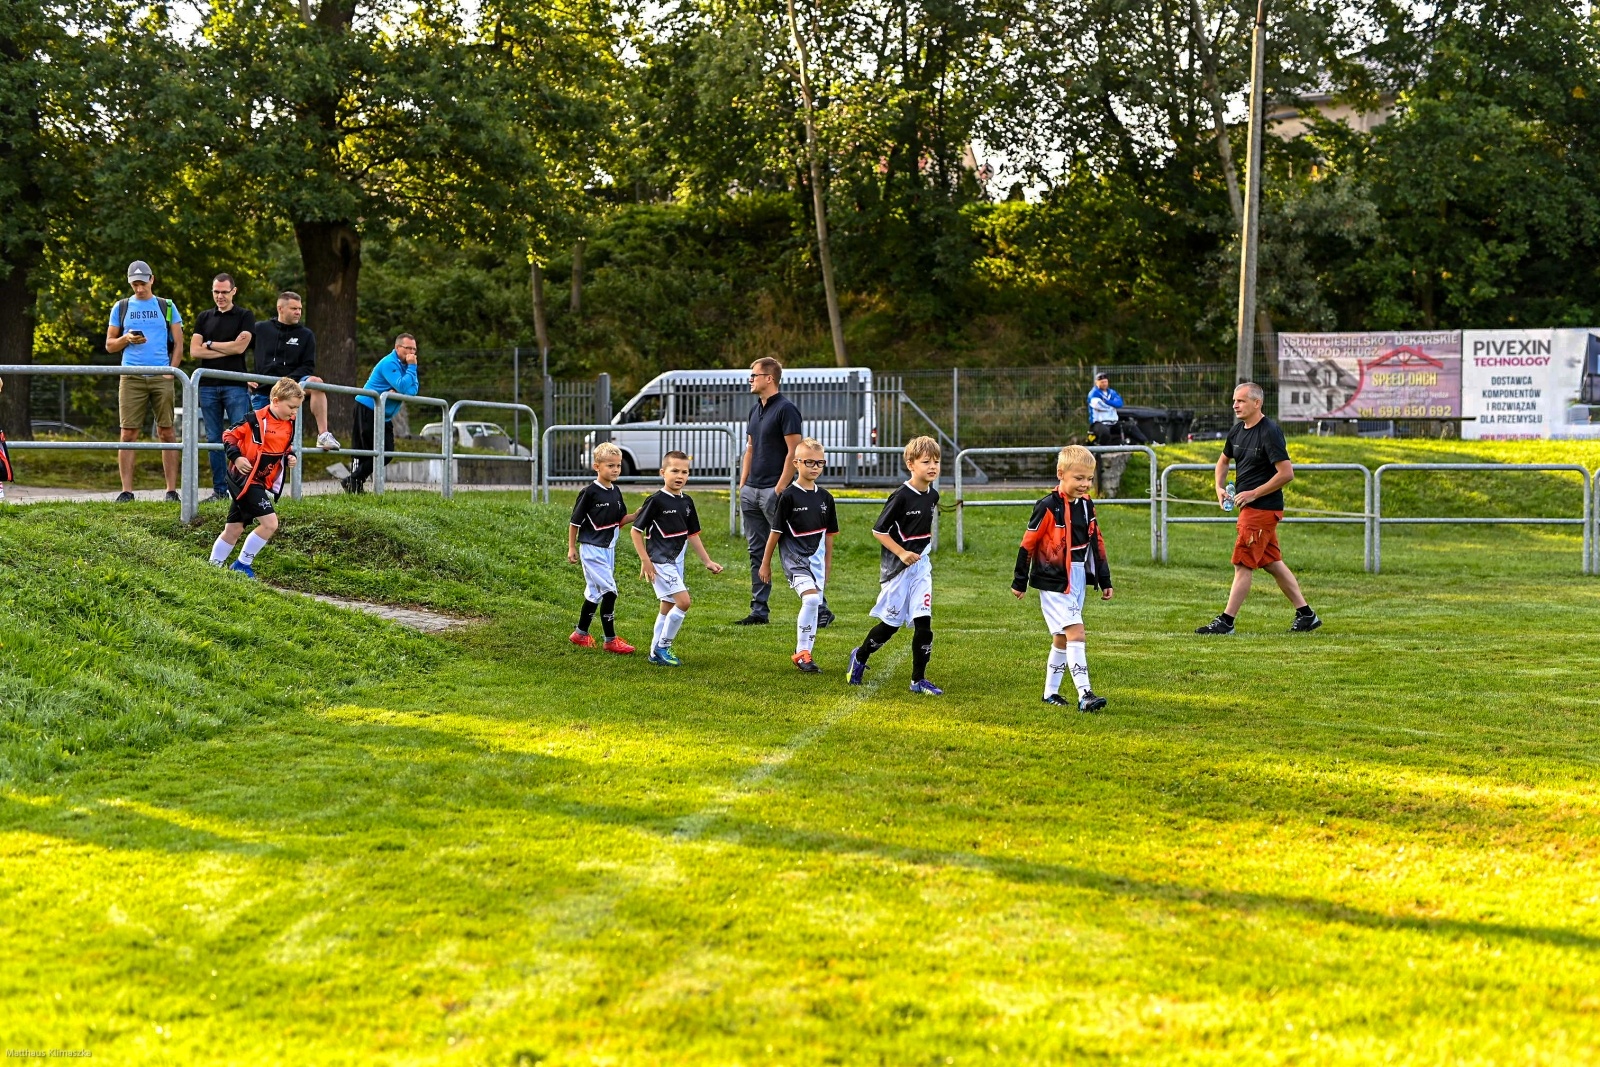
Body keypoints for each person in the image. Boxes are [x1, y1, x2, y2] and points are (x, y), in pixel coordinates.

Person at [1196, 382, 1322, 635]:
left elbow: (1286, 473)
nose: (1235, 405)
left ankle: (1226, 622)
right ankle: (1306, 615)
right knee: (1272, 563)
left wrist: (1254, 492)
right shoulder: (1237, 431)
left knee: (1242, 564)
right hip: (1250, 510)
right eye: (1234, 401)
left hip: (1262, 509)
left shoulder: (1270, 432)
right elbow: (1222, 462)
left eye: (1241, 401)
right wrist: (1219, 488)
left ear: (1257, 403)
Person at [1011, 445, 1112, 712]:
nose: (1085, 484)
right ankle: (1085, 693)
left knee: (1062, 637)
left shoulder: (1088, 505)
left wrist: (1104, 578)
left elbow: (1096, 541)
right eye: (1079, 478)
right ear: (1061, 474)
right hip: (1055, 579)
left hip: (1078, 576)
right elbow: (1027, 544)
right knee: (1077, 632)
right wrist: (1019, 580)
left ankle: (1050, 693)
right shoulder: (1047, 506)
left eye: (1089, 479)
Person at [847, 436, 944, 695]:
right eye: (926, 462)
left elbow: (923, 526)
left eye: (936, 461)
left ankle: (918, 680)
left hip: (921, 567)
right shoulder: (900, 496)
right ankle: (860, 656)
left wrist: (923, 545)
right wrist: (902, 553)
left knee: (924, 624)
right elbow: (879, 531)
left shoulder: (932, 495)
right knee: (889, 627)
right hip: (897, 571)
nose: (932, 466)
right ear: (911, 464)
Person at [734, 357, 809, 627]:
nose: (751, 380)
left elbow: (795, 452)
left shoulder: (786, 409)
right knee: (756, 551)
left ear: (770, 378)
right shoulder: (755, 410)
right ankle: (758, 611)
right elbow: (750, 448)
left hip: (773, 492)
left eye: (754, 375)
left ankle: (818, 606)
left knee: (790, 548)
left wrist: (780, 487)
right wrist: (743, 483)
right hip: (751, 491)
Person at [631, 451, 724, 667]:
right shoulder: (655, 501)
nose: (679, 476)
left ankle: (654, 653)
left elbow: (693, 535)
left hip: (676, 561)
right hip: (660, 562)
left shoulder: (687, 502)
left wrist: (707, 561)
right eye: (674, 471)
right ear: (663, 473)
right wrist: (645, 561)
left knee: (667, 605)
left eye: (684, 472)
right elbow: (636, 532)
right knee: (684, 602)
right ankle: (664, 646)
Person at [105, 260, 184, 503]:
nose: (139, 288)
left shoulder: (166, 306)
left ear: (152, 280)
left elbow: (179, 343)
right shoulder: (121, 307)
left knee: (167, 432)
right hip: (131, 376)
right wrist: (126, 338)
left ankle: (171, 490)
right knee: (128, 433)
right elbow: (109, 345)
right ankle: (127, 491)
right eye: (134, 284)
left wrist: (172, 370)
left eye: (143, 283)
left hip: (161, 374)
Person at [208, 377, 304, 578]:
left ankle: (211, 569)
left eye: (297, 408)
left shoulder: (290, 422)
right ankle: (242, 565)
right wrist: (237, 457)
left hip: (260, 480)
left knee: (234, 528)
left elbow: (285, 446)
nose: (294, 412)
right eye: (291, 407)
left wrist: (289, 456)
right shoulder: (254, 419)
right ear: (276, 401)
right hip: (244, 480)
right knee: (270, 523)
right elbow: (229, 435)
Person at [757, 438, 838, 673]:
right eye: (809, 462)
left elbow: (829, 535)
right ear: (796, 463)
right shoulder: (789, 496)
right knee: (811, 600)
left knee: (814, 605)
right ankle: (801, 652)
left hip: (817, 562)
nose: (814, 467)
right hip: (795, 560)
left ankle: (806, 655)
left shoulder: (826, 498)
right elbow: (775, 532)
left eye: (820, 463)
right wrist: (765, 564)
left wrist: (827, 565)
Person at [190, 273, 255, 503]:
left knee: (240, 437)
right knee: (214, 439)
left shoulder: (245, 316)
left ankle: (242, 488)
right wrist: (223, 347)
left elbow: (240, 348)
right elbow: (194, 351)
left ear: (233, 291)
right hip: (207, 386)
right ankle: (219, 490)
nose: (220, 296)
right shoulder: (204, 317)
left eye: (224, 292)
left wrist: (210, 344)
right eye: (216, 292)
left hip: (235, 386)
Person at [567, 442, 638, 654]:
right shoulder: (589, 492)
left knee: (594, 593)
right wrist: (572, 548)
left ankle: (580, 634)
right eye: (610, 465)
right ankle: (610, 640)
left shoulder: (616, 491)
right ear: (597, 466)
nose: (615, 469)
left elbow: (620, 520)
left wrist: (636, 515)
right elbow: (574, 523)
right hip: (592, 549)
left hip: (609, 548)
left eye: (618, 465)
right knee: (610, 591)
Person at [251, 292, 340, 451]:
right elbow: (238, 350)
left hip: (293, 387)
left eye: (300, 309)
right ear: (280, 308)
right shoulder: (260, 329)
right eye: (293, 308)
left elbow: (308, 366)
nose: (298, 312)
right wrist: (245, 376)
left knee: (317, 383)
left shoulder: (306, 335)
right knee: (263, 446)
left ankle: (323, 435)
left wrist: (285, 383)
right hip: (264, 392)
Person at [344, 333, 420, 493]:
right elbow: (404, 387)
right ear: (397, 348)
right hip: (368, 407)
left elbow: (413, 390)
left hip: (383, 414)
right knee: (365, 450)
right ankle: (355, 484)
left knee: (386, 452)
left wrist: (403, 385)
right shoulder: (389, 363)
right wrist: (410, 371)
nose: (412, 353)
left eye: (414, 349)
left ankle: (352, 481)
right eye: (408, 348)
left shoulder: (408, 365)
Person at [1086, 372, 1150, 445]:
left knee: (1130, 427)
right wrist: (1112, 405)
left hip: (1113, 422)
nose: (1104, 384)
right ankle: (1100, 451)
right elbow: (1099, 405)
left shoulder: (1112, 392)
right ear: (1096, 382)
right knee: (1104, 433)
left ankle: (1147, 443)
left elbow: (1119, 403)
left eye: (1105, 382)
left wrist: (1107, 401)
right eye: (1102, 382)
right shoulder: (1093, 393)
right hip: (1099, 423)